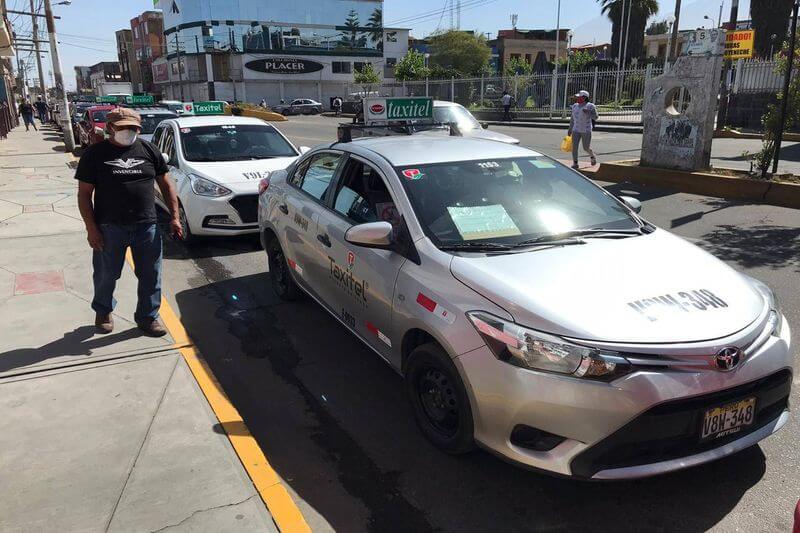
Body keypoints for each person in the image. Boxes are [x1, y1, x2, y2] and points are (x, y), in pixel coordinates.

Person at [74, 107, 183, 337]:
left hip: (147, 226)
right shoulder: (94, 155)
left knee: (151, 275)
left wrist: (175, 216)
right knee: (106, 274)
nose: (129, 131)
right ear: (111, 128)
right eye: (123, 127)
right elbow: (84, 195)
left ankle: (147, 317)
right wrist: (91, 228)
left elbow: (166, 184)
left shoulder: (148, 150)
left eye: (133, 128)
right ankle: (103, 311)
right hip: (109, 227)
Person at [568, 89, 599, 169]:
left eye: (580, 97)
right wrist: (570, 128)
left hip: (586, 130)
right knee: (574, 147)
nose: (578, 99)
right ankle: (575, 163)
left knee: (586, 147)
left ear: (585, 98)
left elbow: (595, 117)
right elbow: (572, 118)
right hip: (576, 129)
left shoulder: (590, 106)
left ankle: (592, 156)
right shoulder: (575, 106)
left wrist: (589, 112)